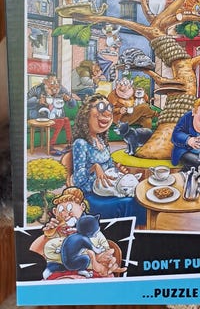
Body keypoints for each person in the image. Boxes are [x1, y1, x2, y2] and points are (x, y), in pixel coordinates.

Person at [71, 93, 146, 224]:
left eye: (109, 109)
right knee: (130, 202)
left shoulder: (101, 141)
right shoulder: (81, 144)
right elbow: (77, 181)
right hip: (92, 195)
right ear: (86, 114)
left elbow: (109, 168)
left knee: (138, 195)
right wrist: (94, 167)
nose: (106, 113)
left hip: (110, 189)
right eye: (100, 107)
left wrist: (118, 170)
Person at [29, 187, 123, 279]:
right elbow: (32, 253)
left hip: (89, 272)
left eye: (70, 208)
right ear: (55, 212)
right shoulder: (55, 232)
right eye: (61, 210)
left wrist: (103, 259)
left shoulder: (93, 232)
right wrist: (48, 234)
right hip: (59, 274)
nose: (65, 215)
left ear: (82, 207)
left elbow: (106, 254)